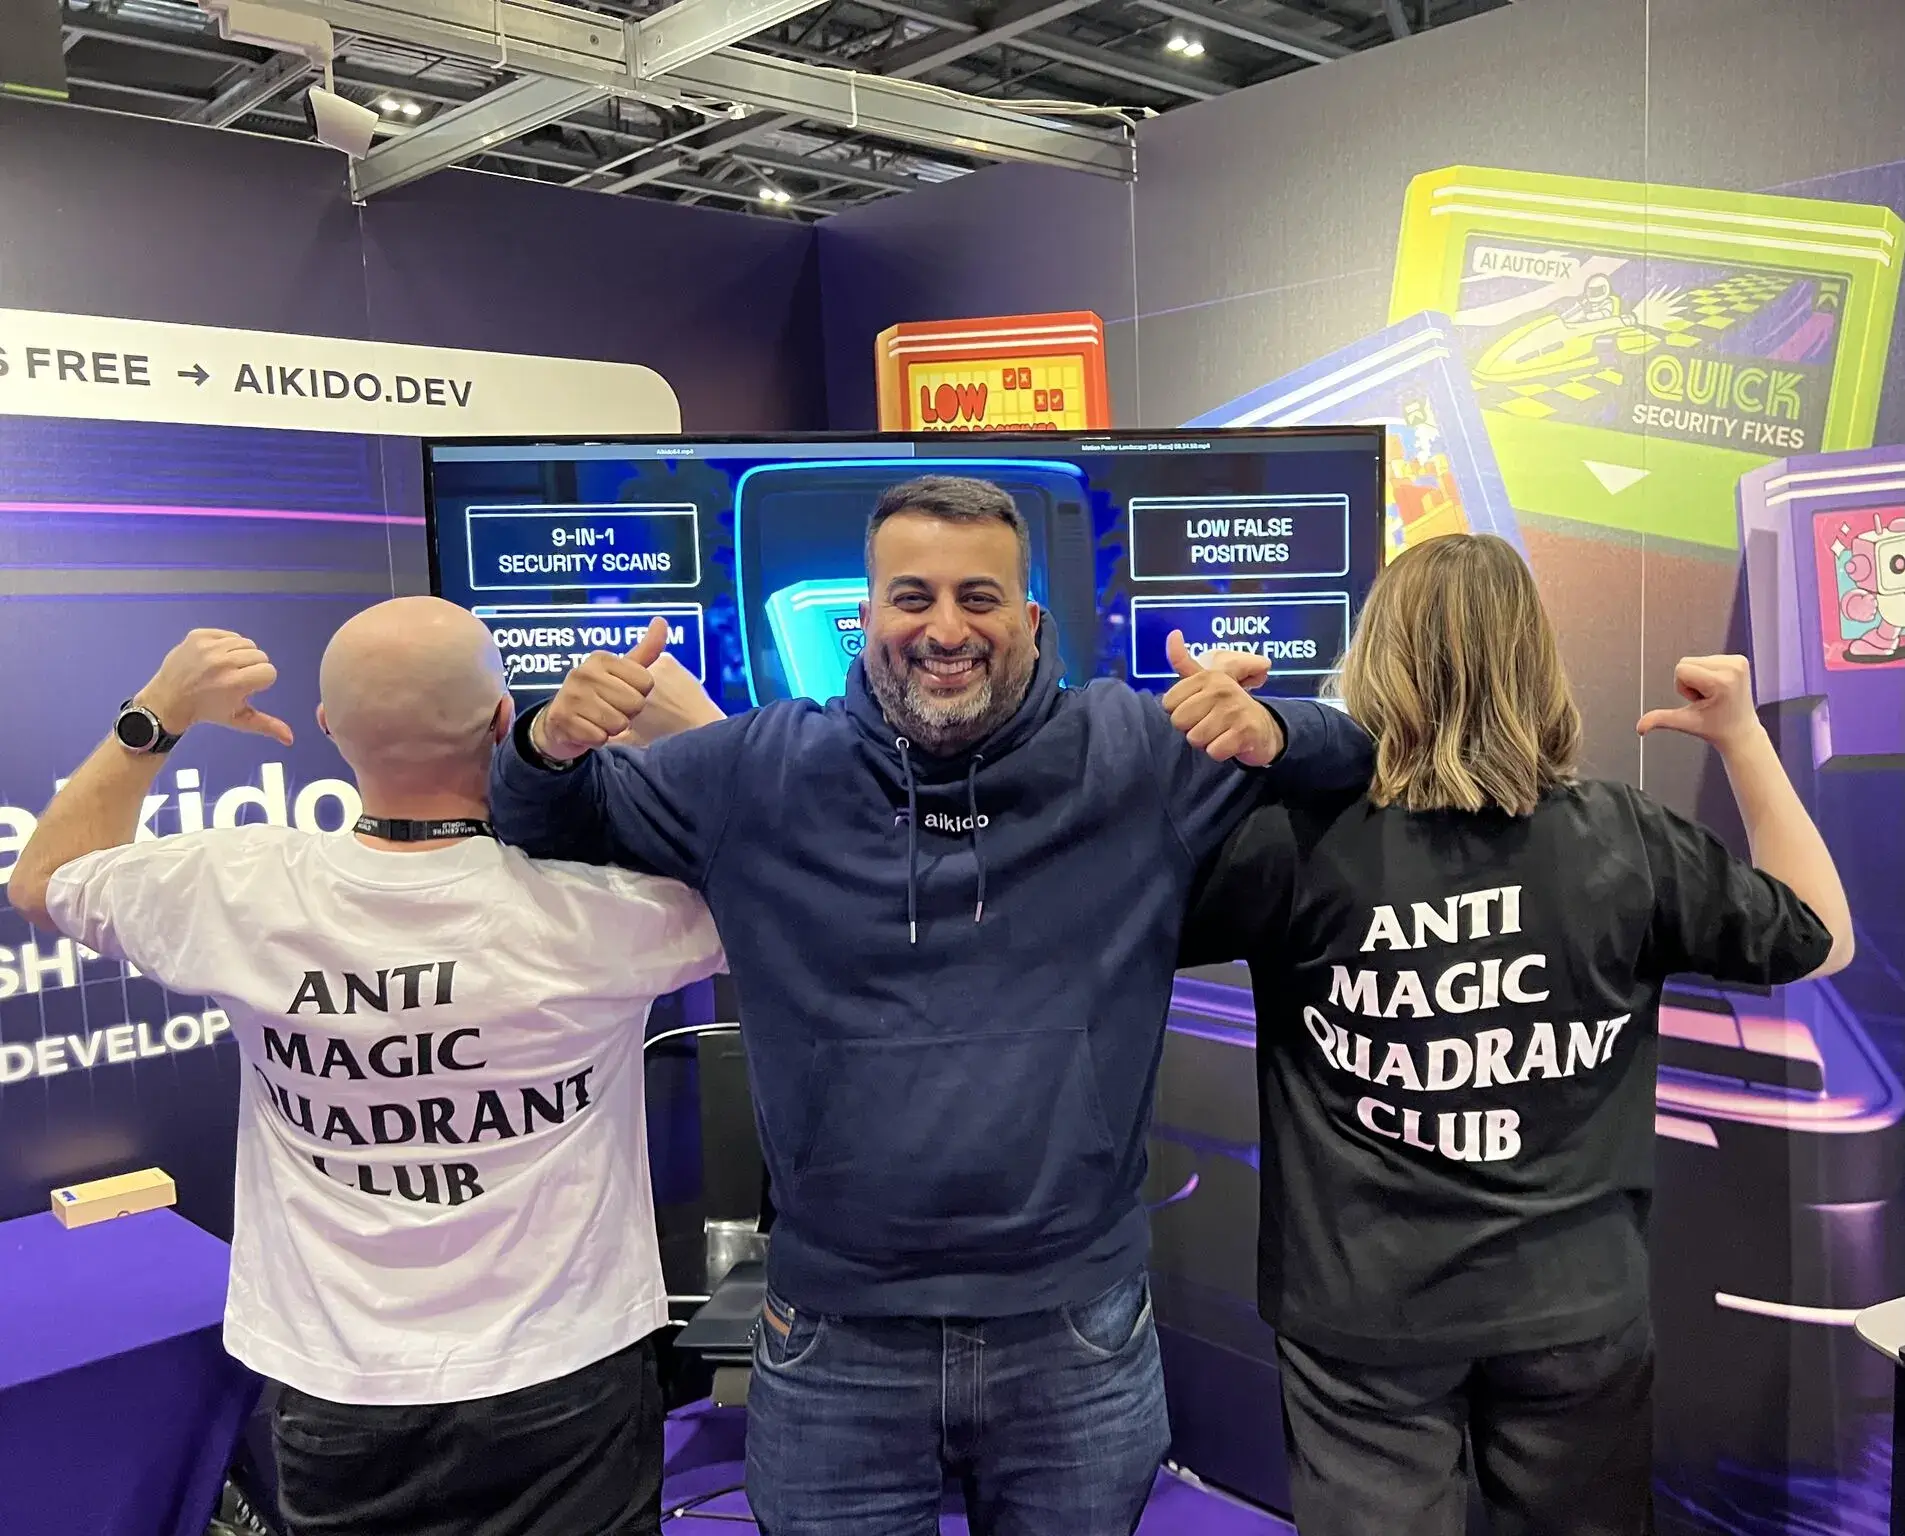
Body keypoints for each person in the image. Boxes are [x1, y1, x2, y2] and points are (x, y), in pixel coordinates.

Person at [489, 474, 1374, 1535]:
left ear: (1030, 619)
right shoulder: (758, 772)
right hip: (835, 1341)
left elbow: (1352, 756)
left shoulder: (1136, 756)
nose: (946, 629)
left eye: (979, 598)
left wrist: (1277, 726)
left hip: (1075, 1339)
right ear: (865, 618)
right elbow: (542, 816)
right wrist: (544, 739)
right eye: (912, 598)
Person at [8, 599, 730, 1536]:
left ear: (327, 730)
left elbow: (41, 879)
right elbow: (791, 876)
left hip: (337, 1383)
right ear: (507, 721)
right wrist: (700, 733)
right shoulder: (600, 911)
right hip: (563, 1377)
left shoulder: (236, 887)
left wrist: (156, 716)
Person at [1180, 533, 1853, 1536]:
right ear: (1537, 666)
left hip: (1366, 1320)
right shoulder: (1625, 838)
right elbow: (1824, 936)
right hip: (1571, 1311)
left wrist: (1222, 768)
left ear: (1374, 663)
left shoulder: (1297, 841)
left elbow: (1102, 918)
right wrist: (1743, 739)